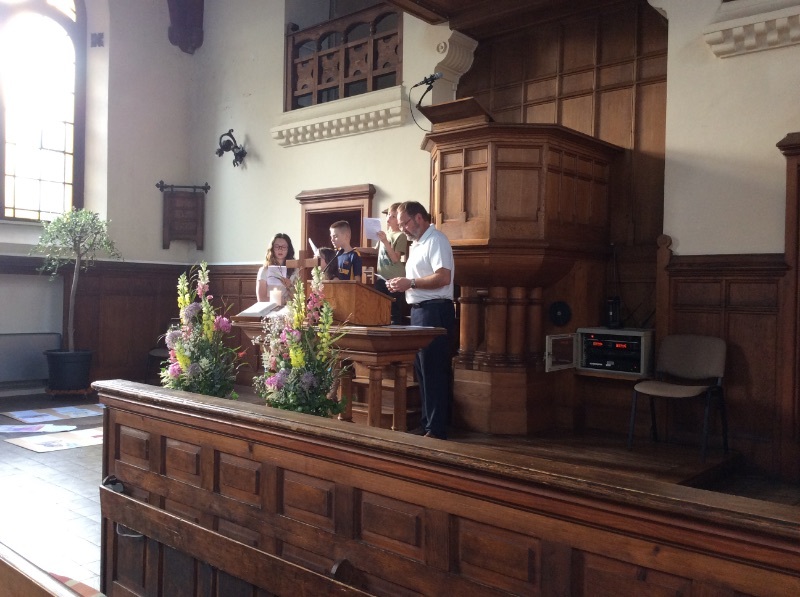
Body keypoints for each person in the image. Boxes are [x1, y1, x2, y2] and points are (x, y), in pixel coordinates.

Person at [387, 201, 455, 440]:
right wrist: (401, 284)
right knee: (422, 370)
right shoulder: (417, 244)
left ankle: (437, 428)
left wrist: (411, 283)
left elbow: (443, 277)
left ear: (418, 218)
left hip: (435, 310)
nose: (402, 228)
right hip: (419, 310)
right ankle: (428, 424)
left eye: (404, 223)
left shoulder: (436, 240)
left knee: (434, 369)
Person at [375, 202, 408, 325]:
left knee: (394, 310)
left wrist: (385, 241)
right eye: (388, 214)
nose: (389, 217)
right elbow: (375, 250)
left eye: (393, 216)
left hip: (394, 277)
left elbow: (395, 258)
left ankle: (395, 331)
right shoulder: (386, 234)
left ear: (399, 220)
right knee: (379, 306)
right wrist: (356, 249)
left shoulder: (401, 235)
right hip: (381, 276)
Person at [256, 233, 296, 303]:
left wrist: (290, 286)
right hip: (269, 307)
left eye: (284, 247)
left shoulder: (295, 270)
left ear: (288, 249)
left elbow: (298, 297)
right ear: (272, 248)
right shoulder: (264, 270)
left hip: (289, 307)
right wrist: (282, 301)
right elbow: (261, 299)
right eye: (277, 246)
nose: (280, 249)